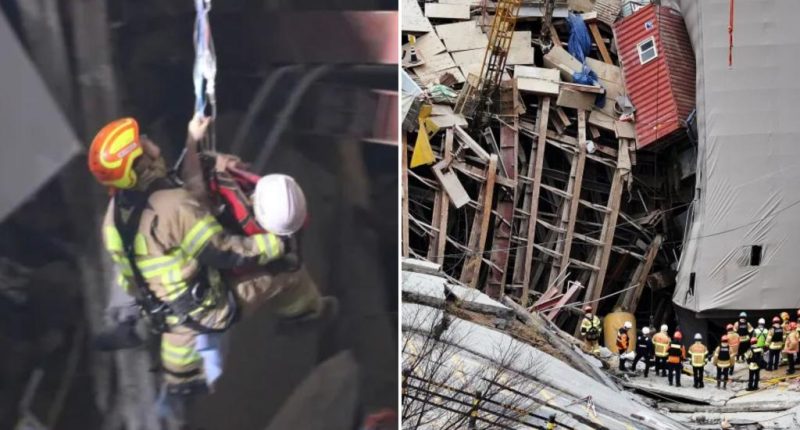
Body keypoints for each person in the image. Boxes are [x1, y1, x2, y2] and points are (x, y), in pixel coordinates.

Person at [88, 116, 331, 419]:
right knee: (287, 271)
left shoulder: (114, 216)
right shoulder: (174, 206)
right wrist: (275, 245)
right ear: (140, 162)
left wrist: (193, 139)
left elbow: (129, 277)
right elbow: (225, 252)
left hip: (162, 308)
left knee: (180, 337)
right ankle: (303, 315)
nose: (149, 141)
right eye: (142, 142)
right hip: (208, 307)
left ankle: (182, 382)